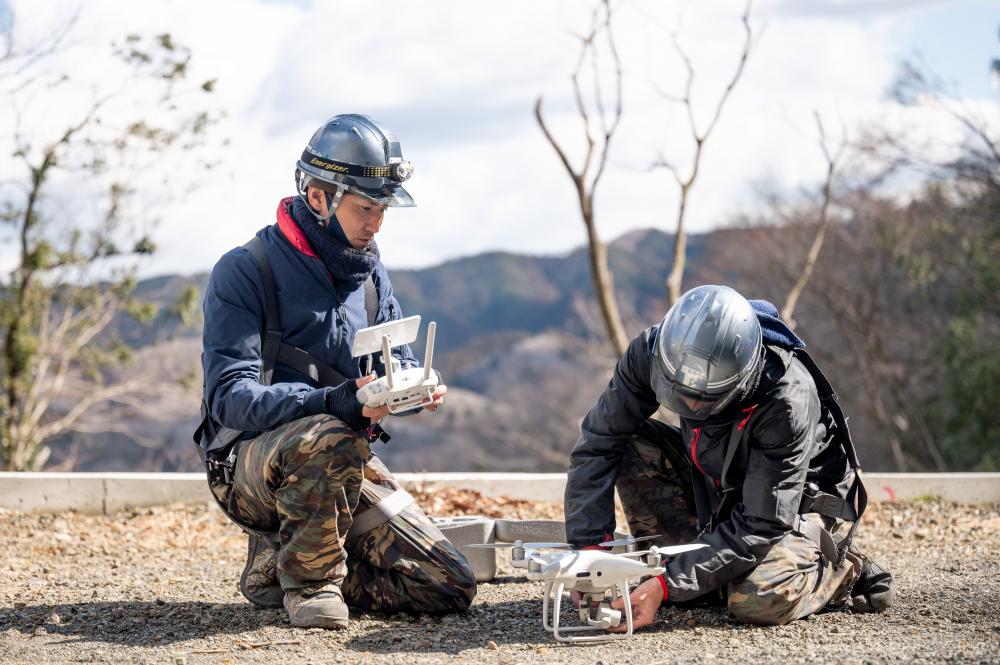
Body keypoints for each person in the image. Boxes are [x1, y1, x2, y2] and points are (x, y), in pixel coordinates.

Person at [194, 113, 476, 629]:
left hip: (337, 458)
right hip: (247, 465)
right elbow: (229, 398)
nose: (377, 223)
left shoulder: (370, 272)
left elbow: (395, 357)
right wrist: (333, 401)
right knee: (330, 434)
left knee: (448, 585)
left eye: (384, 208)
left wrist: (409, 387)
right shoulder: (244, 269)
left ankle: (279, 564)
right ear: (318, 196)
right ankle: (310, 585)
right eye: (366, 208)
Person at [564, 284, 895, 629]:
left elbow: (762, 523)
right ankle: (707, 573)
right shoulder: (655, 351)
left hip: (794, 507)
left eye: (701, 400)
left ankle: (837, 568)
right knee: (629, 441)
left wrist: (664, 585)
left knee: (758, 600)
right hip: (721, 485)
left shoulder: (785, 399)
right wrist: (590, 550)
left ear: (740, 379)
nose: (689, 407)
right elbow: (599, 440)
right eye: (680, 395)